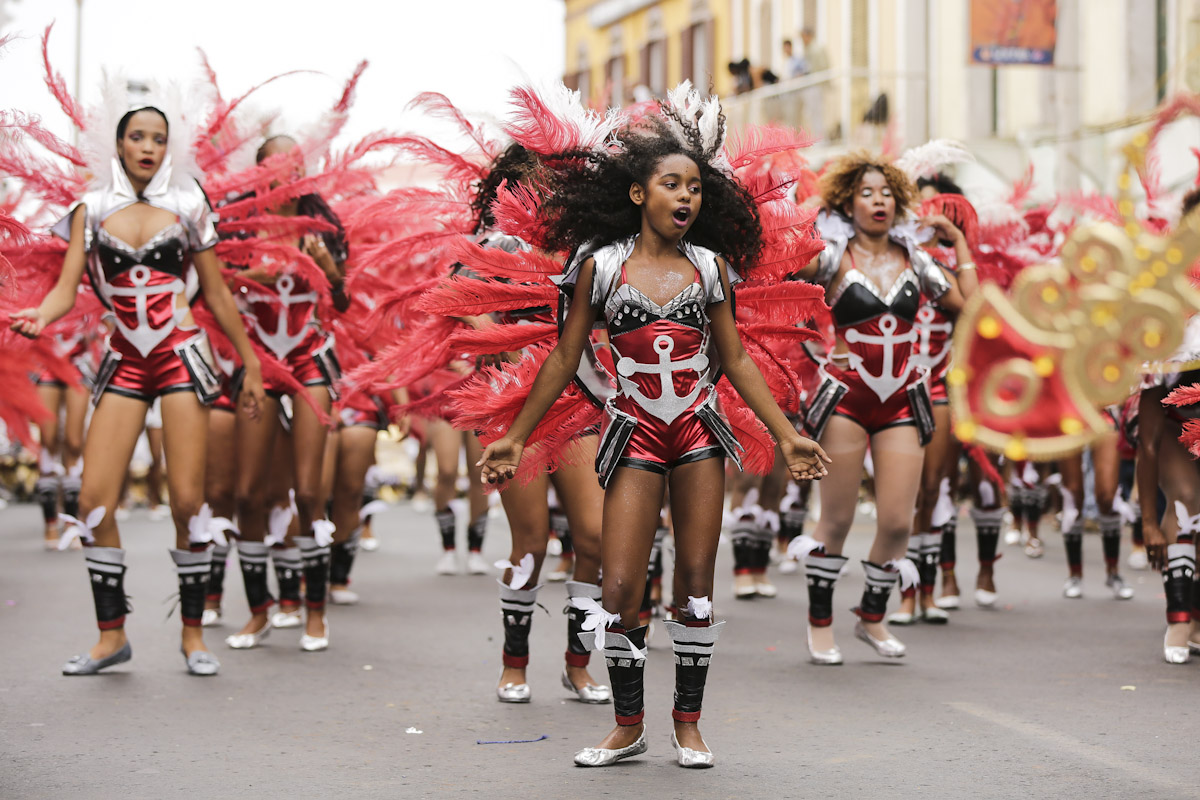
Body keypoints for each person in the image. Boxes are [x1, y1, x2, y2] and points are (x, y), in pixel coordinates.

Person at [478, 86, 830, 768]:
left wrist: (787, 433)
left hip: (698, 433)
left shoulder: (712, 270)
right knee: (619, 586)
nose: (687, 197)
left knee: (697, 580)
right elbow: (563, 357)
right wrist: (516, 434)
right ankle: (627, 724)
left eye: (696, 187)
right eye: (672, 184)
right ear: (639, 193)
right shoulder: (599, 268)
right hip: (632, 435)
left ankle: (689, 726)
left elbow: (735, 360)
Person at [11, 103, 266, 676]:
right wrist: (41, 316)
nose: (148, 147)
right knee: (92, 499)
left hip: (180, 356)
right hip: (124, 360)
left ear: (167, 146)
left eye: (157, 138)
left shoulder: (190, 201)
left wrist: (250, 364)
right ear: (120, 144)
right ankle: (110, 637)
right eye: (137, 137)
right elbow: (67, 285)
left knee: (186, 503)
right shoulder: (91, 207)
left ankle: (193, 636)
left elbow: (219, 295)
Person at [793, 152, 974, 665]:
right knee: (837, 520)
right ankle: (820, 624)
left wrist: (959, 245)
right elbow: (778, 270)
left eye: (886, 193)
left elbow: (971, 307)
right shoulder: (830, 257)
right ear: (847, 202)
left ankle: (872, 615)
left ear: (898, 202)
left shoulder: (917, 259)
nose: (878, 201)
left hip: (902, 399)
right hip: (846, 399)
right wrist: (804, 215)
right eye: (866, 193)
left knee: (897, 522)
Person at [220, 135, 349, 653]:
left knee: (310, 491)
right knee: (248, 492)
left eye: (293, 168)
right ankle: (258, 611)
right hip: (258, 363)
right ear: (258, 174)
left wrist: (329, 269)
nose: (283, 178)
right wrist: (258, 272)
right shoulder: (238, 231)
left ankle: (315, 613)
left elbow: (340, 298)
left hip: (310, 357)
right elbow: (213, 287)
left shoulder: (323, 227)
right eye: (273, 168)